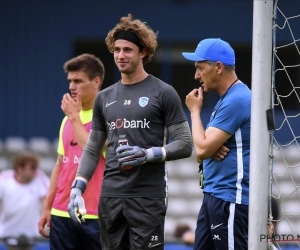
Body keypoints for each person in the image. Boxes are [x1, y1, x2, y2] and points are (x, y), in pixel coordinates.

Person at [67, 14, 193, 250]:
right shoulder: (104, 97)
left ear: (143, 52)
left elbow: (185, 143)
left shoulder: (163, 92)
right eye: (116, 50)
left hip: (147, 198)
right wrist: (78, 187)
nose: (120, 56)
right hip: (111, 197)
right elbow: (93, 148)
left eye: (128, 50)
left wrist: (148, 154)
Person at [183, 38, 251, 250]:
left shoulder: (237, 99)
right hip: (215, 196)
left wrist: (194, 110)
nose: (196, 75)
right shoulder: (226, 98)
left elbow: (201, 149)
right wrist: (209, 148)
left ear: (218, 67)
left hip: (230, 200)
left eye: (200, 68)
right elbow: (204, 149)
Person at [37, 54, 106, 250]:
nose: (71, 87)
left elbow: (91, 152)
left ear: (96, 82)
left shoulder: (107, 116)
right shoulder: (67, 119)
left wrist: (74, 117)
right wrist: (47, 208)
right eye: (69, 81)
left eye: (78, 81)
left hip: (93, 215)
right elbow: (60, 165)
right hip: (61, 213)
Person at [0, 152, 49, 250]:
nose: (36, 171)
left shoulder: (39, 178)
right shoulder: (4, 179)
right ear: (20, 168)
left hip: (30, 233)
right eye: (32, 168)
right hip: (8, 231)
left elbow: (47, 202)